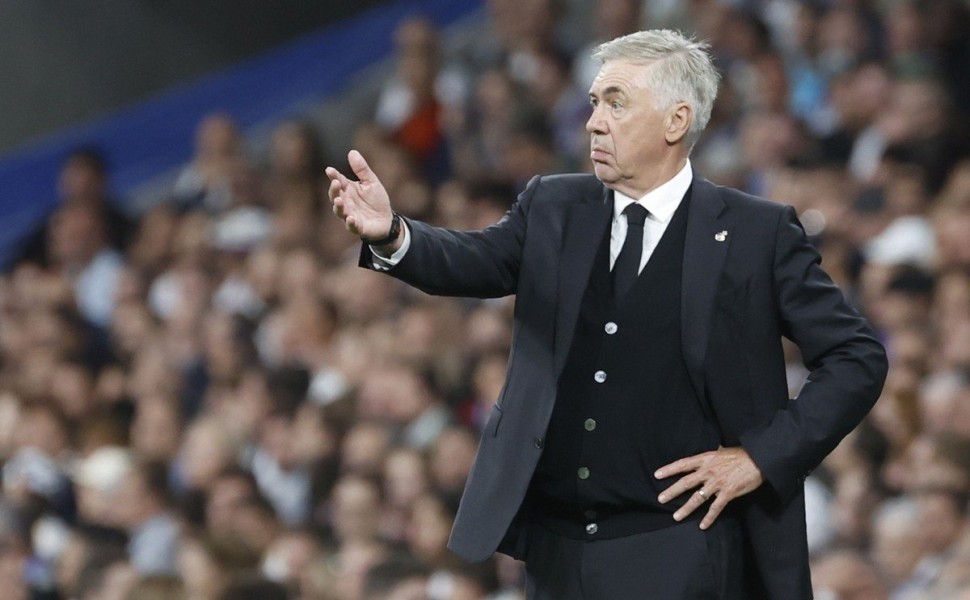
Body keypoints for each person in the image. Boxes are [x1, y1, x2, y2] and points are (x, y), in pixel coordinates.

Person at [327, 29, 887, 600]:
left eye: (615, 103)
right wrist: (394, 234)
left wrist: (760, 457)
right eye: (594, 103)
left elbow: (856, 358)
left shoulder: (754, 233)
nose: (593, 122)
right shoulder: (553, 204)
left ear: (675, 121)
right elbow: (475, 261)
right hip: (555, 551)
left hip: (680, 550)